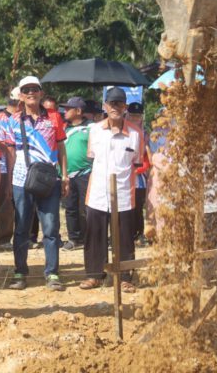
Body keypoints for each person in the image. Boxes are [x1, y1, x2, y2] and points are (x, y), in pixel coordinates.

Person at [2, 76, 69, 291]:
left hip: (49, 180)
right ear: (20, 95)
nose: (31, 93)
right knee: (21, 228)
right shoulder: (13, 120)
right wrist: (9, 183)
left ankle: (52, 274)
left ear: (41, 92)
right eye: (26, 90)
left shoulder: (54, 118)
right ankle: (20, 272)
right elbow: (10, 153)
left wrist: (65, 175)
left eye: (35, 89)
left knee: (51, 228)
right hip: (21, 180)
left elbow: (61, 147)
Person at [80, 87, 143, 293]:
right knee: (95, 235)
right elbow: (91, 156)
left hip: (124, 193)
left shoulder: (135, 134)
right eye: (112, 103)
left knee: (124, 238)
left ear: (125, 107)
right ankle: (94, 275)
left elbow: (136, 161)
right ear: (105, 106)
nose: (115, 107)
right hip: (98, 192)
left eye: (119, 103)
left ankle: (125, 277)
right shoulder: (95, 130)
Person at [57, 97, 92, 251]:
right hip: (67, 174)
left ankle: (88, 237)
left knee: (86, 208)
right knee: (70, 207)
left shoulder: (92, 128)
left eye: (68, 108)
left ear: (78, 111)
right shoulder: (64, 128)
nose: (65, 111)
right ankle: (74, 238)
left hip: (86, 173)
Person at [0, 87, 20, 249]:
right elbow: (5, 148)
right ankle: (2, 239)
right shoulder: (0, 121)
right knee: (5, 204)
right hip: (3, 168)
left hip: (19, 167)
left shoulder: (19, 118)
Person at [126, 102, 150, 245]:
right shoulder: (122, 131)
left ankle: (139, 233)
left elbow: (146, 154)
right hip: (125, 173)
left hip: (140, 174)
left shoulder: (145, 134)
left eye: (138, 116)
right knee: (125, 206)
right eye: (132, 115)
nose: (135, 118)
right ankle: (126, 233)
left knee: (138, 206)